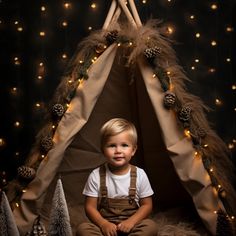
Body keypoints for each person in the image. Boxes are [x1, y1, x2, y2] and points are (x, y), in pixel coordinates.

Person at [77, 118, 157, 236]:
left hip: (132, 226)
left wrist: (131, 222)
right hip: (105, 229)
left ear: (133, 150)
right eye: (112, 145)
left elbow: (147, 205)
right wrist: (103, 224)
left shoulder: (140, 174)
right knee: (83, 229)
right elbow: (90, 207)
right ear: (103, 150)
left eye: (124, 145)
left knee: (150, 226)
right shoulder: (96, 175)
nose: (118, 150)